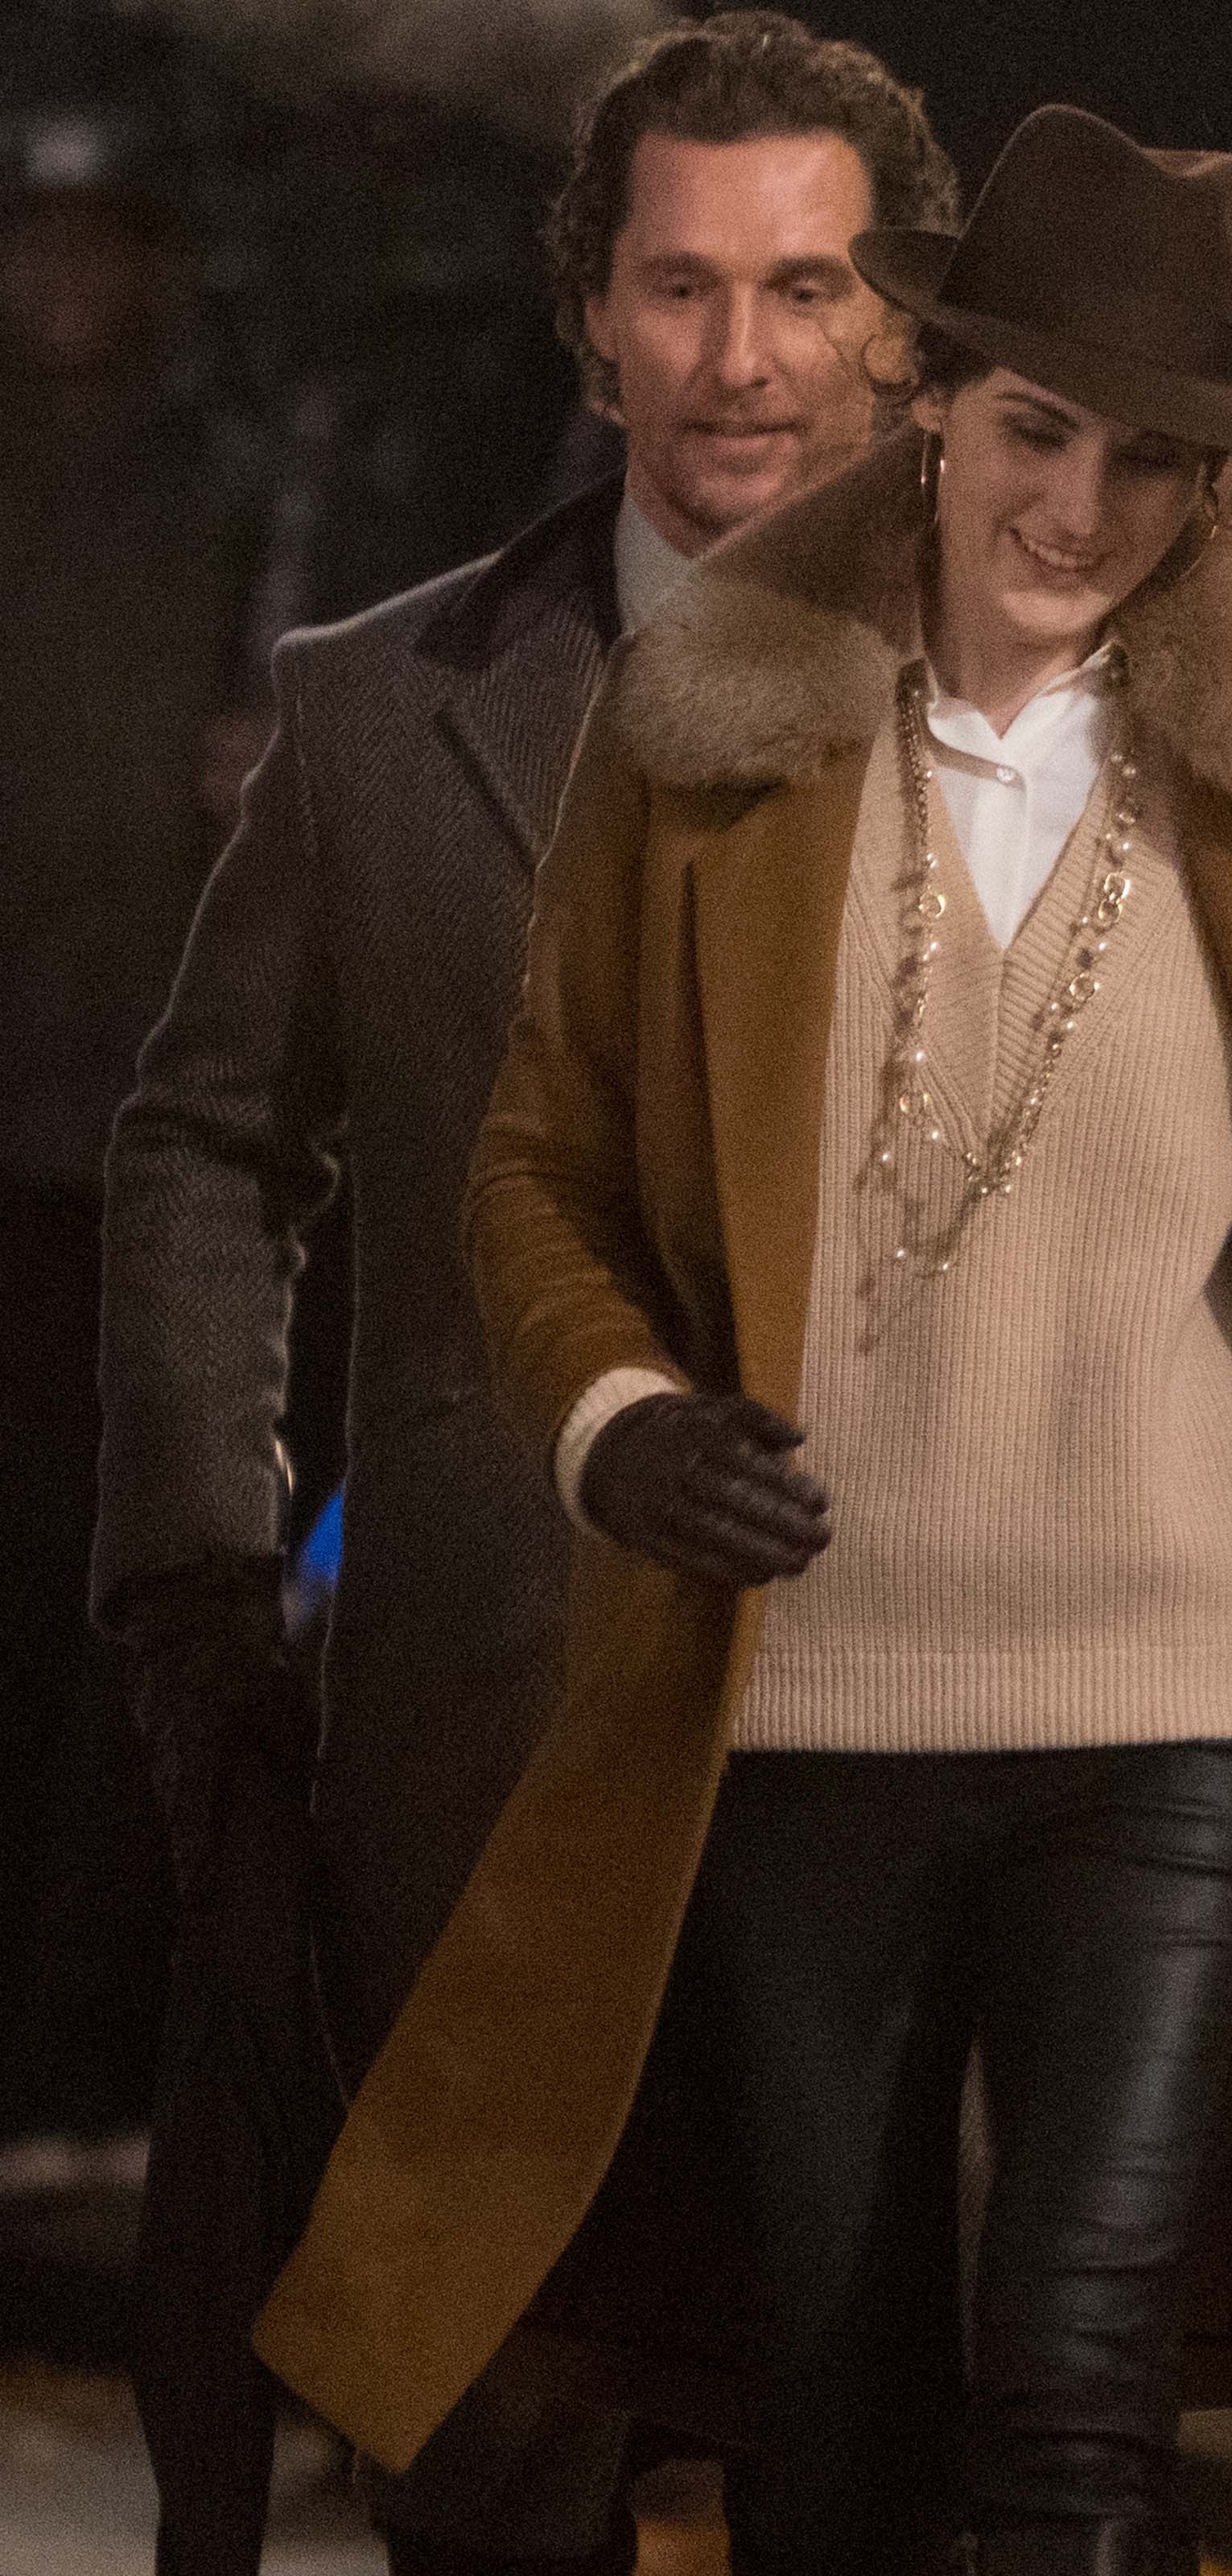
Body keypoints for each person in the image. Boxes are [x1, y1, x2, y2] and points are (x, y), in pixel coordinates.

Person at [258, 110, 1232, 2576]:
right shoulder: (715, 747)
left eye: (1151, 462)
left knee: (1079, 2369)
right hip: (804, 1689)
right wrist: (617, 1424)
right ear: (933, 404)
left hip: (1176, 1691)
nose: (1080, 505)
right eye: (1036, 431)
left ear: (1214, 492)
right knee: (838, 2389)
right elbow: (531, 1174)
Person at [90, 16, 956, 2574]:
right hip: (484, 1700)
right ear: (591, 315)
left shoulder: (1040, 693)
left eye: (805, 290)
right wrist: (194, 1560)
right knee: (487, 2449)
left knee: (879, 2444)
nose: (739, 359)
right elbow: (208, 1134)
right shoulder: (388, 707)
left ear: (901, 321)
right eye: (678, 288)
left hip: (924, 1698)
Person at [0, 97, 269, 2159]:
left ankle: (94, 2040)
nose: (69, 281)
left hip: (125, 1136)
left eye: (106, 245)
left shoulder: (238, 494)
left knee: (133, 1593)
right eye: (43, 242)